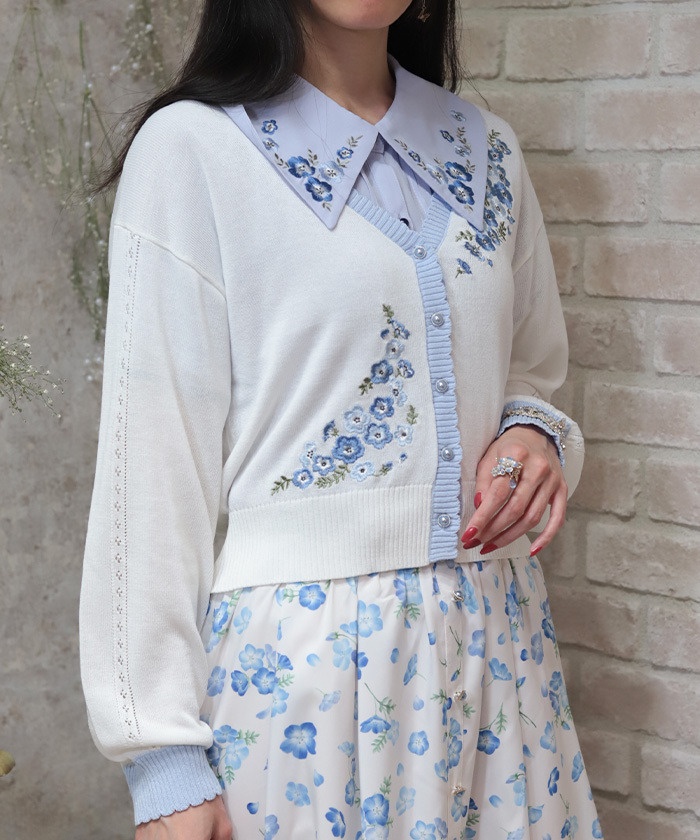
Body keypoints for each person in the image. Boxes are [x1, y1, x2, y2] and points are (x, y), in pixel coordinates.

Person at [79, 1, 603, 839]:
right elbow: (151, 464)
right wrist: (162, 760)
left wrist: (531, 435)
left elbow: (532, 371)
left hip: (498, 665)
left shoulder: (487, 149)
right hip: (302, 690)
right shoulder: (193, 151)